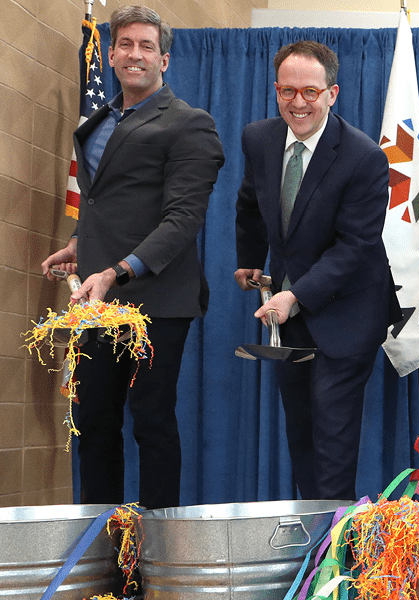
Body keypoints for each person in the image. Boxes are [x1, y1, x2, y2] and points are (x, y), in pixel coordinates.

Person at [39, 6, 224, 509]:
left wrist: (115, 272)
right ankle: (103, 541)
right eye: (125, 44)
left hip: (157, 300)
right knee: (94, 421)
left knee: (151, 420)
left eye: (146, 46)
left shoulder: (190, 124)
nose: (135, 54)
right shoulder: (100, 120)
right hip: (99, 302)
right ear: (112, 54)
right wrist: (79, 243)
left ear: (164, 59)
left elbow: (183, 220)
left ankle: (159, 545)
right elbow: (103, 199)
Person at [234, 40, 402, 501]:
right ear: (276, 90)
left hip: (348, 314)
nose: (299, 102)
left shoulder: (364, 157)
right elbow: (250, 202)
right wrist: (249, 258)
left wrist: (293, 296)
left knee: (331, 445)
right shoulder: (258, 139)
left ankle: (335, 544)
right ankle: (314, 535)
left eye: (310, 91)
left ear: (332, 93)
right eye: (288, 91)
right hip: (291, 316)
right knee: (302, 438)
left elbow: (355, 246)